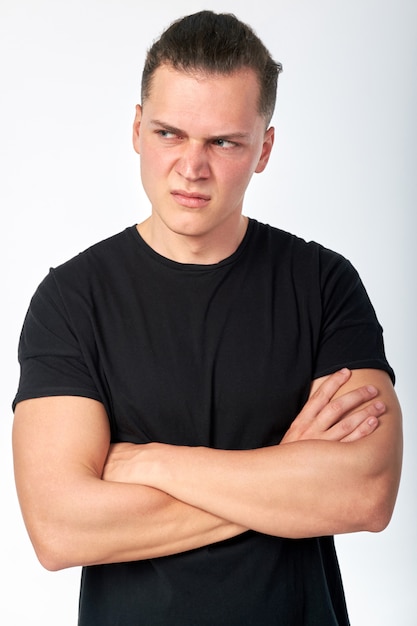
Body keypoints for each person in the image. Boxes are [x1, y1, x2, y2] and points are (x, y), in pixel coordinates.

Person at [12, 10, 402, 626]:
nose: (192, 167)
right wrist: (285, 470)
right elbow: (60, 530)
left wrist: (148, 461)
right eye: (170, 133)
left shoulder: (325, 284)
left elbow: (365, 493)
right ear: (137, 129)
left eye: (224, 141)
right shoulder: (71, 300)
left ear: (264, 149)